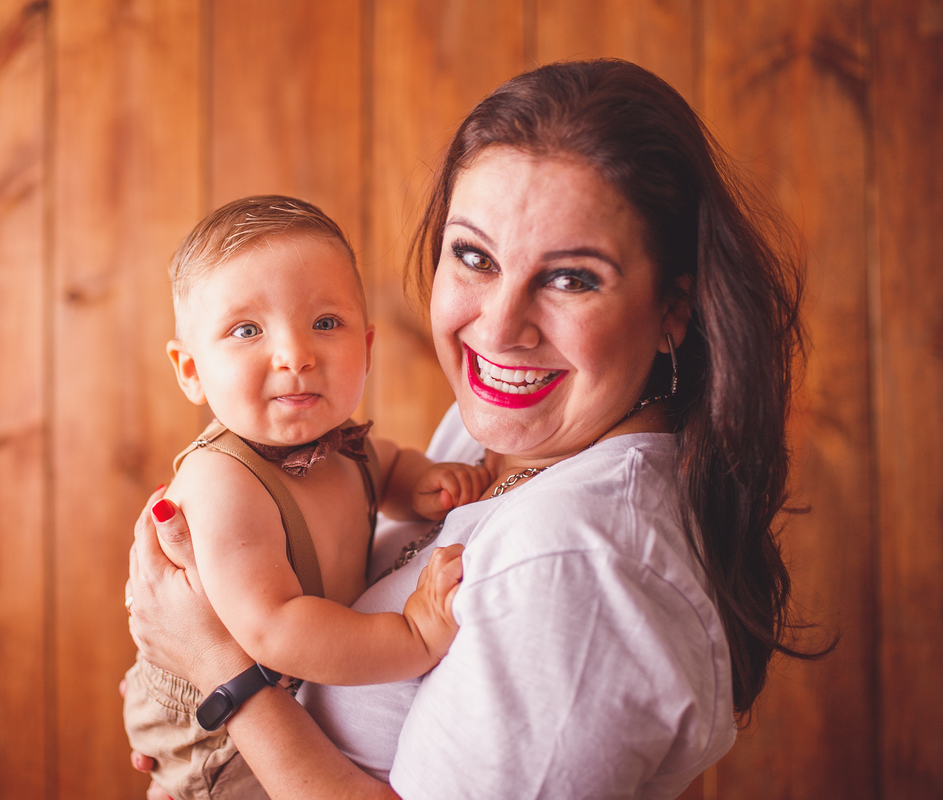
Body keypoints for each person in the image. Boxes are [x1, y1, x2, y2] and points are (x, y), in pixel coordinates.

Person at [126, 59, 826, 799]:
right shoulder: (505, 431)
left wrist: (220, 678)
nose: (499, 328)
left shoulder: (574, 566)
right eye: (474, 257)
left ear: (672, 311)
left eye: (571, 278)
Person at [122, 195, 492, 800]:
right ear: (190, 369)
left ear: (367, 349)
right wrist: (413, 638)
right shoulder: (224, 484)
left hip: (281, 693)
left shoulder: (342, 445)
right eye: (247, 330)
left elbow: (387, 466)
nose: (296, 355)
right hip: (218, 734)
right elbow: (276, 628)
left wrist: (420, 482)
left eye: (325, 323)